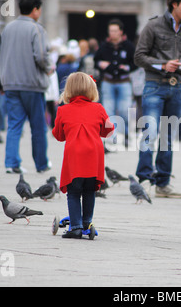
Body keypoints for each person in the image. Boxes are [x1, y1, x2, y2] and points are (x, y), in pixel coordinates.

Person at [134, 0, 181, 199]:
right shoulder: (153, 25)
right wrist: (162, 64)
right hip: (154, 85)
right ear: (174, 4)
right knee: (150, 132)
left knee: (168, 137)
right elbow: (139, 56)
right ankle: (144, 179)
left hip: (178, 89)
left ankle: (163, 183)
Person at [52, 72, 114, 238]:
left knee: (73, 192)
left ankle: (76, 227)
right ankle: (87, 223)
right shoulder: (98, 108)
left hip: (74, 155)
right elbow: (107, 130)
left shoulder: (63, 110)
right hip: (94, 154)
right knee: (89, 190)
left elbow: (58, 135)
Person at [0, 0, 53, 174]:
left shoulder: (8, 28)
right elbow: (41, 55)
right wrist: (49, 68)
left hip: (11, 83)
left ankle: (11, 163)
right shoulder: (36, 29)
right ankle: (41, 164)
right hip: (31, 84)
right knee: (38, 126)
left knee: (14, 125)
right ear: (35, 10)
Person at [94, 19, 136, 146]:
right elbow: (96, 60)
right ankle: (113, 136)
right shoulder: (104, 46)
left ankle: (127, 133)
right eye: (111, 31)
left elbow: (136, 62)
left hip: (123, 81)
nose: (112, 33)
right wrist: (102, 64)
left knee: (124, 110)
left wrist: (127, 67)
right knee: (109, 110)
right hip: (108, 81)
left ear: (121, 32)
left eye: (115, 31)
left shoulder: (128, 46)